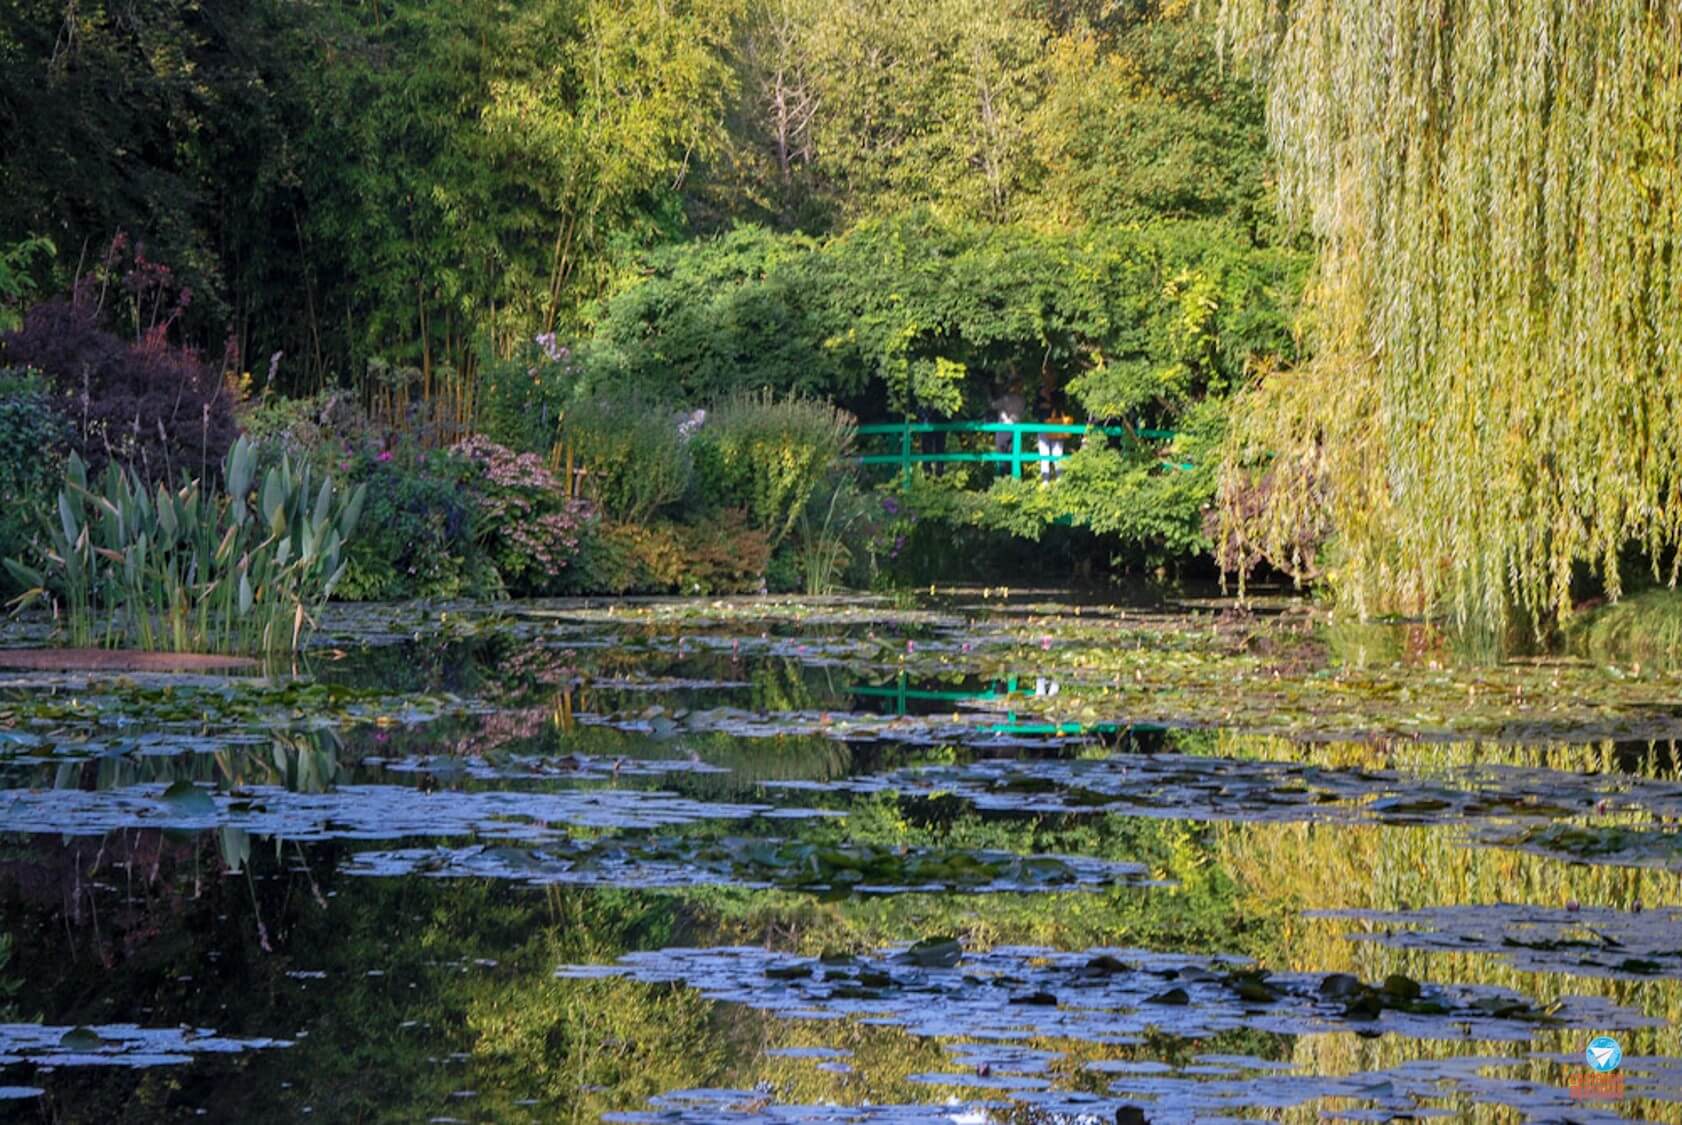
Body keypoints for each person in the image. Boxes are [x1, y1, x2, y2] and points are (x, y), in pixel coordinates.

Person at [988, 383, 1025, 476]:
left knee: (1002, 454)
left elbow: (993, 405)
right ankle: (1012, 477)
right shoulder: (1021, 400)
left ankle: (1003, 477)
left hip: (1004, 429)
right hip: (1014, 428)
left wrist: (988, 397)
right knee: (1013, 454)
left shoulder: (1006, 399)